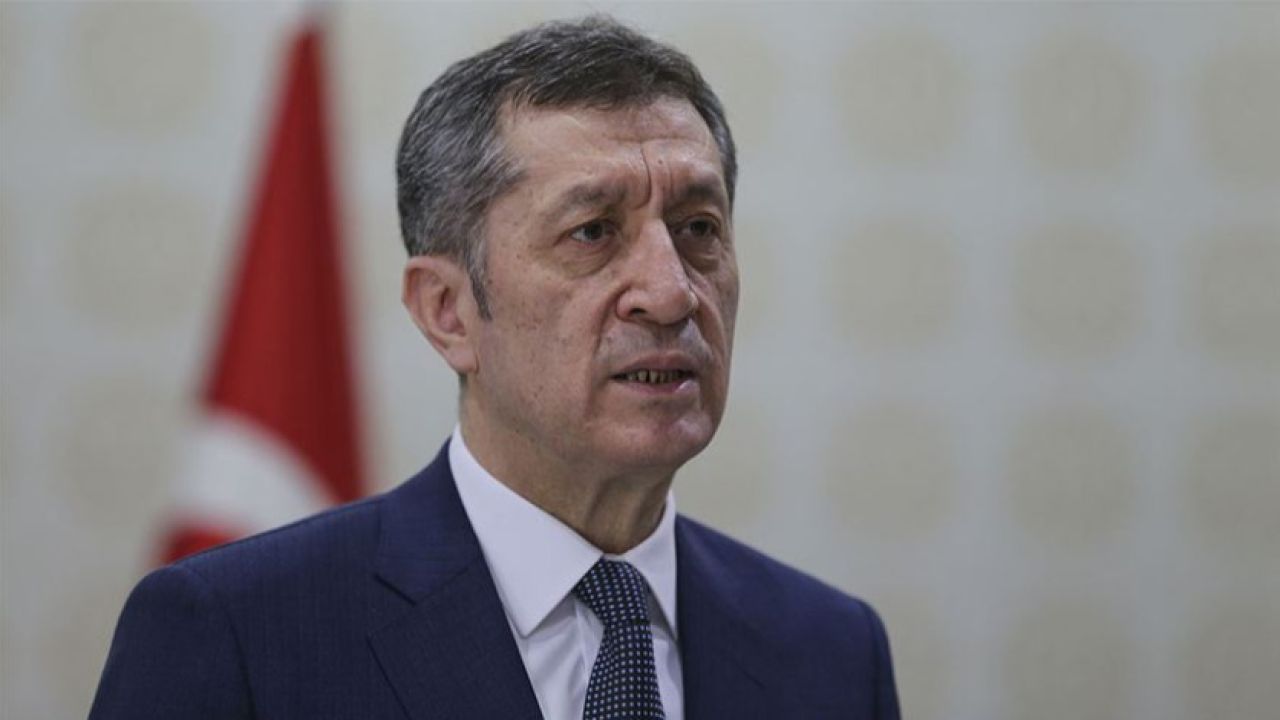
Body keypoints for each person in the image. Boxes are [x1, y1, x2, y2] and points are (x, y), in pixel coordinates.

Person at [90, 16, 899, 719]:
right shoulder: (236, 633)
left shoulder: (832, 652)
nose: (670, 292)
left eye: (698, 228)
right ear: (448, 311)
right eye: (592, 232)